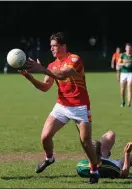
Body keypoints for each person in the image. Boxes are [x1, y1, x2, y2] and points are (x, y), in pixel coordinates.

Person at [19, 32, 100, 184]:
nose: (52, 49)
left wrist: (41, 68)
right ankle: (49, 158)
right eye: (51, 47)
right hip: (62, 106)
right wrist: (29, 77)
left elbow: (64, 74)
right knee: (45, 136)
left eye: (55, 46)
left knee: (86, 142)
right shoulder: (51, 65)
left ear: (63, 46)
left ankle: (94, 169)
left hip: (80, 106)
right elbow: (45, 87)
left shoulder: (74, 59)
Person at [117, 43, 132, 107]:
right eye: (127, 48)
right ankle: (123, 101)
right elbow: (118, 63)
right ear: (125, 49)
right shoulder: (122, 55)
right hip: (123, 73)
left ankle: (129, 103)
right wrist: (124, 64)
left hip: (131, 73)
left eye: (130, 48)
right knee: (122, 89)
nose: (129, 49)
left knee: (129, 87)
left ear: (131, 49)